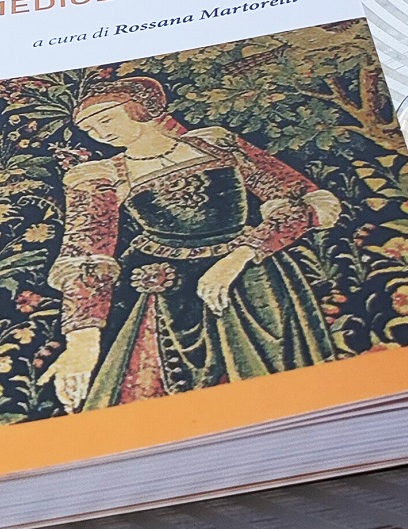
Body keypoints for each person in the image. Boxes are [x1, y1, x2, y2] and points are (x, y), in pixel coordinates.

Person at [41, 76, 341, 410]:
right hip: (168, 290)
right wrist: (82, 343)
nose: (101, 133)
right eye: (89, 129)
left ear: (139, 108)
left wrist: (240, 257)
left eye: (106, 120)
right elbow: (86, 253)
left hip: (255, 276)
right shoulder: (100, 176)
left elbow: (301, 203)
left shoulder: (217, 144)